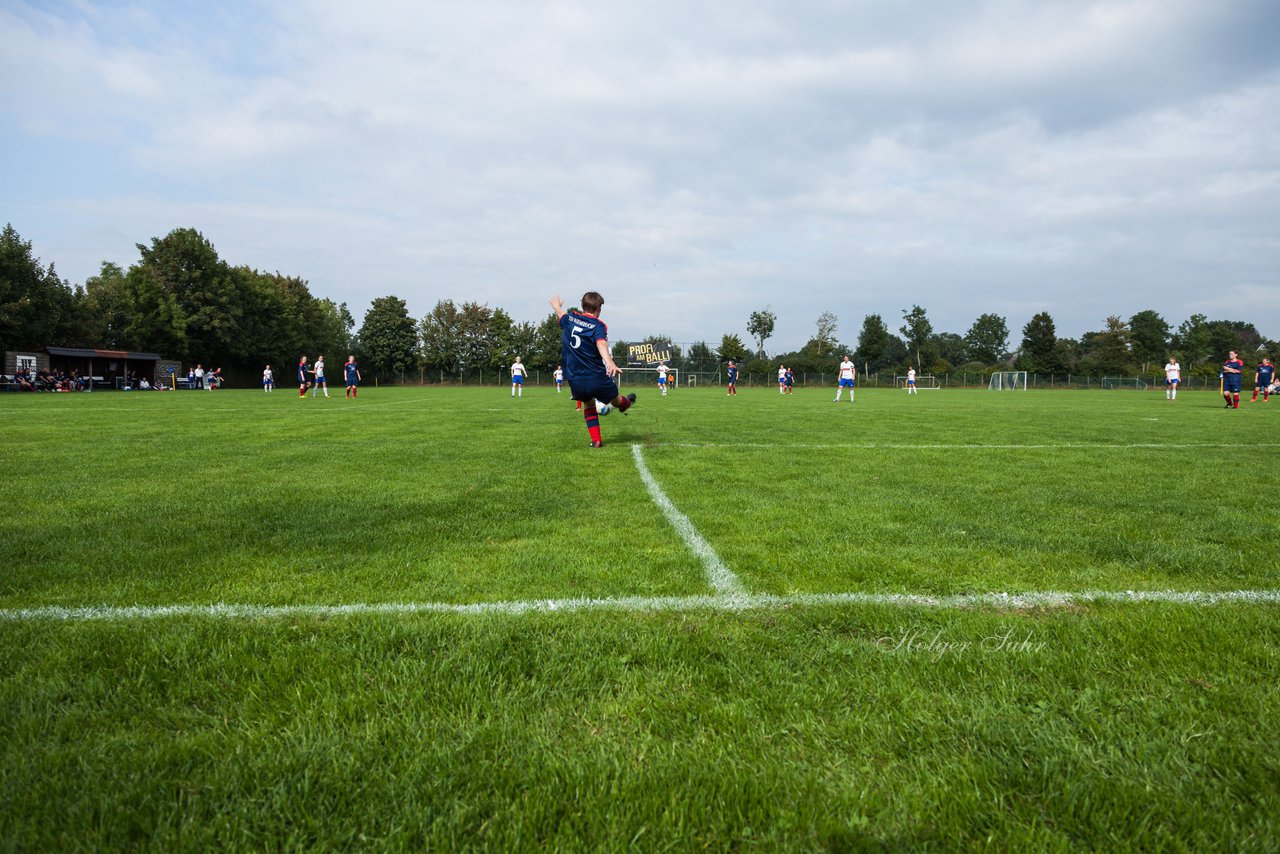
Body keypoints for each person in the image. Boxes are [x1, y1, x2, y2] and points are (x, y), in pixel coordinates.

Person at [550, 291, 636, 448]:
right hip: (596, 376)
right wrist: (609, 362)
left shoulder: (570, 318)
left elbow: (561, 314)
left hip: (575, 379)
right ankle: (626, 404)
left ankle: (596, 440)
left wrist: (556, 305)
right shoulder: (598, 325)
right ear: (599, 309)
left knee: (588, 405)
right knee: (616, 401)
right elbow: (601, 344)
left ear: (583, 306)